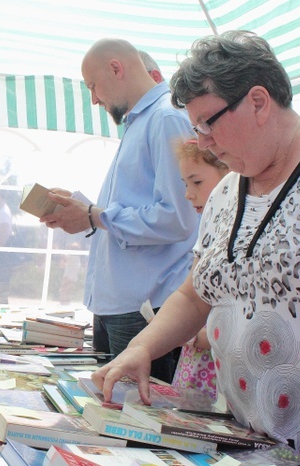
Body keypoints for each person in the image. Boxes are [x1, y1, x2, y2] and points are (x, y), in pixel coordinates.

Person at [92, 30, 300, 462]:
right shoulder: (227, 190)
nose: (204, 141)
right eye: (197, 128)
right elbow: (195, 295)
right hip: (254, 445)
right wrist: (142, 348)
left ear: (257, 101)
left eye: (209, 122)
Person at [41, 38, 199, 383]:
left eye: (93, 86)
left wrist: (95, 215)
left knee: (136, 421)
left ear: (116, 68)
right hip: (121, 302)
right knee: (112, 413)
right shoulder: (142, 121)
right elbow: (136, 208)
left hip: (145, 303)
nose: (95, 99)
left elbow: (177, 218)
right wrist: (85, 212)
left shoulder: (166, 119)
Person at [170, 139, 229, 400]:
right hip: (196, 365)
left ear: (228, 174)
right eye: (185, 184)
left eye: (197, 182)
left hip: (219, 373)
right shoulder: (207, 228)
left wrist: (200, 336)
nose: (188, 194)